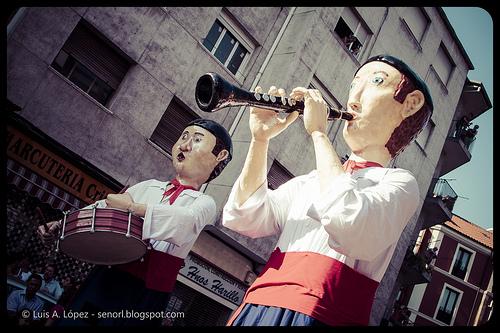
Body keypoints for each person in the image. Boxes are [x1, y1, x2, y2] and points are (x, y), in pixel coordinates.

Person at [222, 54, 433, 326]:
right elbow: (243, 216)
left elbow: (350, 223)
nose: (353, 97)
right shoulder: (312, 179)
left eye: (376, 82)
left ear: (410, 104)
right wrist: (260, 139)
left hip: (322, 315)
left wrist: (319, 134)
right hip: (258, 304)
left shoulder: (400, 184)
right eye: (354, 84)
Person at [37, 118, 232, 326]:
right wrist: (60, 223)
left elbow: (184, 222)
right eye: (183, 137)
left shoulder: (205, 202)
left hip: (148, 292)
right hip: (109, 275)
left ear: (219, 156)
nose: (184, 145)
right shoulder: (148, 186)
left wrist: (132, 207)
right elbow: (103, 207)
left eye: (197, 139)